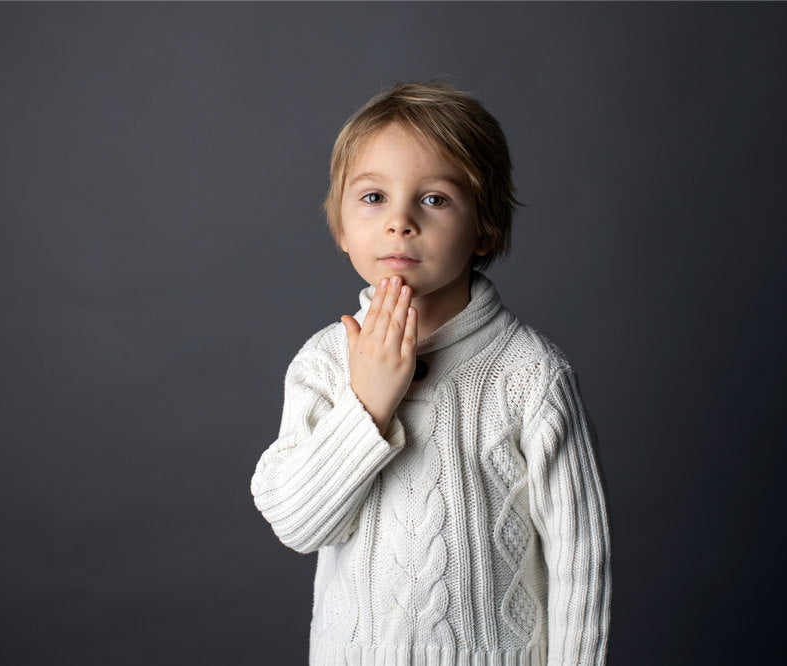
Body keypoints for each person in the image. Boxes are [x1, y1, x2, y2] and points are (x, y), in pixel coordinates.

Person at [252, 81, 610, 665]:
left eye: (435, 199)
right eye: (372, 198)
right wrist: (367, 404)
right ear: (341, 226)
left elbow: (581, 559)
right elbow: (297, 524)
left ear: (486, 227)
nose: (400, 222)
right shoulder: (324, 361)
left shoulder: (531, 374)